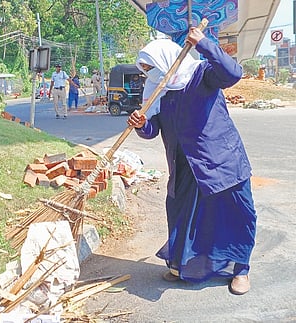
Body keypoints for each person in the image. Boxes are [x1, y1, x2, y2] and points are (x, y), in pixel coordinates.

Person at [127, 27, 257, 295]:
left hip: (221, 161)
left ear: (166, 58)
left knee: (235, 215)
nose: (149, 74)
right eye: (145, 69)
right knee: (183, 217)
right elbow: (153, 130)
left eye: (151, 66)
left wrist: (204, 44)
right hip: (185, 166)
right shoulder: (156, 91)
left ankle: (241, 269)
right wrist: (142, 124)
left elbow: (232, 73)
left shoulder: (202, 74)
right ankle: (181, 265)